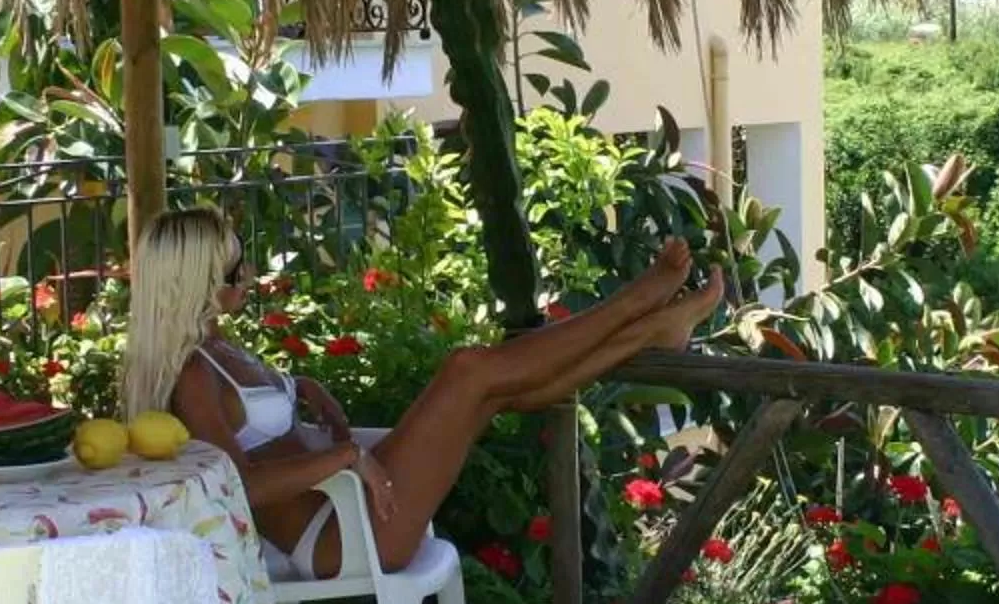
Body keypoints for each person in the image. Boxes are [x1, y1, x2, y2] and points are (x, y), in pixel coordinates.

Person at [123, 206, 721, 577]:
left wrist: (297, 386)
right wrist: (346, 457)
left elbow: (258, 432)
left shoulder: (218, 348)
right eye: (233, 272)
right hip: (341, 537)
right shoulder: (192, 374)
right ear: (196, 282)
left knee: (493, 392)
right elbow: (238, 487)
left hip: (351, 511)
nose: (247, 277)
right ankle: (638, 302)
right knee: (469, 370)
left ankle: (652, 326)